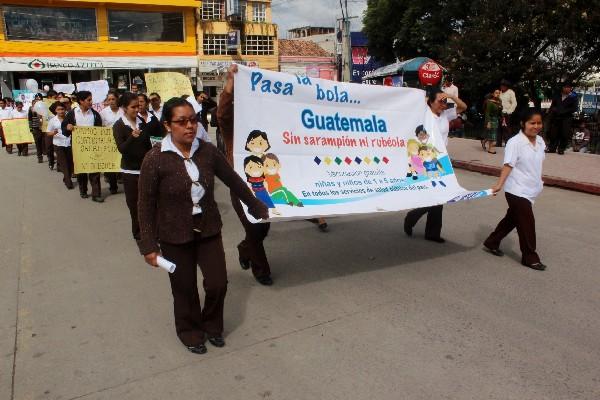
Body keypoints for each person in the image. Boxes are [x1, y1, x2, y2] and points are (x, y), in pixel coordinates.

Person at [137, 97, 268, 354]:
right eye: (181, 121)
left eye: (193, 120)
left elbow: (232, 179)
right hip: (174, 234)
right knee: (184, 288)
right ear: (167, 125)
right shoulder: (155, 159)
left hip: (208, 228)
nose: (189, 126)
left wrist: (254, 204)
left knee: (218, 283)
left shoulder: (207, 152)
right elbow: (145, 205)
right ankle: (190, 331)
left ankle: (212, 326)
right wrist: (149, 246)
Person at [218, 65, 275, 285]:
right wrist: (231, 85)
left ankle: (244, 249)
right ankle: (262, 271)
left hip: (263, 185)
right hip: (240, 185)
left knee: (263, 226)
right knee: (252, 227)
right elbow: (222, 113)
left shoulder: (265, 125)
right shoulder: (233, 125)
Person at [483, 109, 547, 271]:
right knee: (527, 223)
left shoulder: (540, 141)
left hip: (531, 189)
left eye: (539, 123)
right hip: (517, 190)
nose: (536, 126)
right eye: (532, 123)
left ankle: (492, 242)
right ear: (523, 124)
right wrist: (499, 184)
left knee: (512, 218)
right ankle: (530, 257)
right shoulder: (515, 142)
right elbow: (508, 165)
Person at [404, 86, 467, 243]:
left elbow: (463, 107)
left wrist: (451, 96)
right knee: (438, 195)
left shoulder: (446, 114)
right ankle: (415, 219)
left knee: (440, 195)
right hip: (427, 159)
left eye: (444, 101)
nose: (443, 104)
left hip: (442, 159)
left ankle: (428, 229)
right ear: (430, 102)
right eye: (439, 101)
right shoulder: (424, 115)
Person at [112, 92, 152, 242]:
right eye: (133, 107)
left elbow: (148, 143)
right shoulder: (119, 125)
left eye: (139, 105)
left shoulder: (142, 121)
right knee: (134, 204)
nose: (137, 109)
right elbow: (121, 148)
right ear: (124, 108)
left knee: (148, 202)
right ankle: (138, 233)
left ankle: (151, 229)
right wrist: (131, 137)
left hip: (145, 169)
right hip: (130, 171)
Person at [62, 91, 104, 202]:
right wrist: (68, 127)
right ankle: (83, 190)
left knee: (94, 171)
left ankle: (96, 194)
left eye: (91, 99)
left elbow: (100, 131)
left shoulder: (95, 115)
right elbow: (64, 128)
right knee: (81, 171)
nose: (91, 102)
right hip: (78, 149)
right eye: (89, 100)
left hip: (93, 148)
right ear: (81, 101)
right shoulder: (72, 114)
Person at [47, 102, 74, 190]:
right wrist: (53, 132)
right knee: (64, 163)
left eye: (62, 109)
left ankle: (66, 177)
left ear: (65, 109)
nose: (61, 111)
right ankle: (68, 181)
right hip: (58, 144)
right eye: (58, 109)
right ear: (55, 111)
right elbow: (48, 133)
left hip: (69, 143)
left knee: (70, 163)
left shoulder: (69, 119)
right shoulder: (52, 121)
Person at [100, 91, 123, 194]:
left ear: (117, 99)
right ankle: (113, 186)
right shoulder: (103, 113)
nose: (111, 101)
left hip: (122, 141)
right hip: (108, 142)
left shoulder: (123, 111)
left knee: (121, 162)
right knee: (110, 164)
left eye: (113, 99)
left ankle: (121, 177)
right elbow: (100, 128)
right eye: (109, 99)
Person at [547, 82, 578, 155]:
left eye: (568, 87)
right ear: (562, 88)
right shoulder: (557, 95)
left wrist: (563, 111)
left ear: (570, 88)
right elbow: (553, 104)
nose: (566, 89)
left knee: (564, 134)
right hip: (556, 117)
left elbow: (574, 108)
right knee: (554, 133)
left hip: (566, 118)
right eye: (565, 87)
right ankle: (552, 148)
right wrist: (553, 110)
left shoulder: (573, 96)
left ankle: (561, 149)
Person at [483, 89, 503, 154]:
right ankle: (490, 149)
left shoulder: (499, 102)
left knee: (492, 134)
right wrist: (488, 122)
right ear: (493, 94)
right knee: (492, 135)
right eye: (496, 93)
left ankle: (483, 141)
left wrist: (502, 116)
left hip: (496, 120)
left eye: (499, 93)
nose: (498, 94)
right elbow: (487, 113)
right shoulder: (490, 102)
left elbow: (500, 111)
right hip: (490, 119)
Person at [499, 80, 518, 147]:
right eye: (501, 85)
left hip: (507, 113)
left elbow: (514, 103)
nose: (502, 87)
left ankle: (508, 143)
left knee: (506, 128)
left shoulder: (510, 92)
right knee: (499, 128)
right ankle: (498, 143)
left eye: (504, 86)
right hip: (500, 112)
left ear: (507, 86)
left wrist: (510, 111)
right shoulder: (499, 93)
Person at [28, 99, 45, 163]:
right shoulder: (31, 110)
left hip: (43, 128)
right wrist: (31, 129)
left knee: (43, 143)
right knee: (38, 143)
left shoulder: (43, 109)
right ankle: (40, 157)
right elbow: (29, 120)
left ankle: (46, 154)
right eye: (34, 103)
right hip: (36, 129)